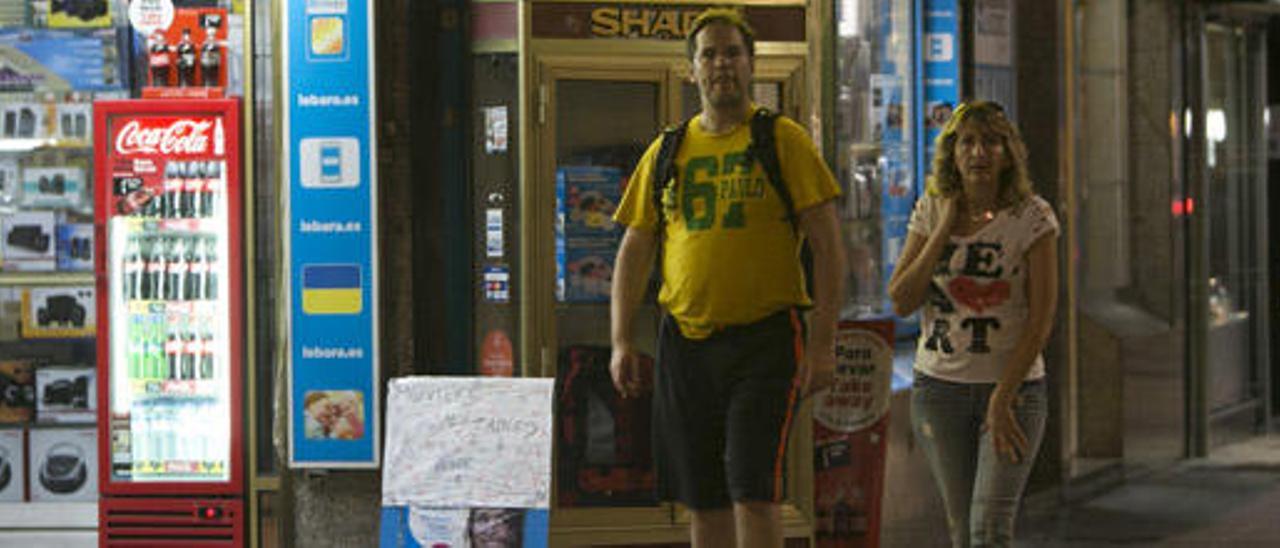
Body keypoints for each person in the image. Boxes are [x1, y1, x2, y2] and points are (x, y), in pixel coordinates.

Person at [609, 8, 846, 548]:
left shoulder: (781, 140)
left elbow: (830, 249)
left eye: (732, 53)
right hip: (686, 344)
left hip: (764, 342)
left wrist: (824, 344)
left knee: (753, 490)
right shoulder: (668, 149)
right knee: (703, 497)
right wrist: (621, 340)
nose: (721, 64)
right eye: (709, 54)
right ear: (691, 70)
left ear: (751, 65)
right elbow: (635, 246)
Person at [888, 100, 1059, 547]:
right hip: (939, 390)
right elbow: (902, 299)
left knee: (990, 528)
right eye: (967, 142)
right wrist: (943, 229)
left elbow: (1041, 320)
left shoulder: (1032, 217)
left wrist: (1003, 398)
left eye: (991, 142)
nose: (978, 152)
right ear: (952, 153)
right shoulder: (931, 210)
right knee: (963, 531)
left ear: (1008, 153)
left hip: (1013, 390)